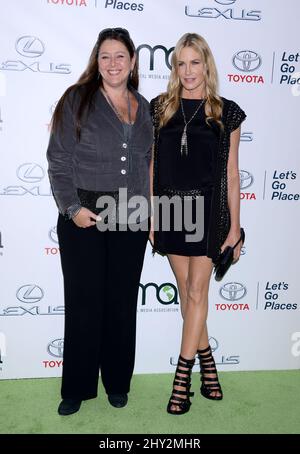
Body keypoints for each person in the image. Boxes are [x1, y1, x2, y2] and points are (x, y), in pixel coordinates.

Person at [47, 28, 153, 415]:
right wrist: (72, 208)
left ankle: (118, 382)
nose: (113, 63)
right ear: (97, 60)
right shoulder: (78, 99)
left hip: (132, 217)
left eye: (120, 56)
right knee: (84, 302)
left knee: (122, 303)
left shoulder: (144, 107)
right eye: (106, 56)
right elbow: (58, 158)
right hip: (85, 214)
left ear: (133, 61)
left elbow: (146, 165)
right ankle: (76, 388)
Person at [150, 33, 246, 415]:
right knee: (188, 294)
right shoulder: (161, 109)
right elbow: (153, 165)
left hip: (209, 214)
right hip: (172, 210)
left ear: (206, 64)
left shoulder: (227, 112)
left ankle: (181, 382)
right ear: (175, 68)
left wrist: (234, 229)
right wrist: (154, 215)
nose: (188, 71)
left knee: (196, 294)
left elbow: (233, 174)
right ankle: (209, 366)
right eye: (181, 63)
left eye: (195, 62)